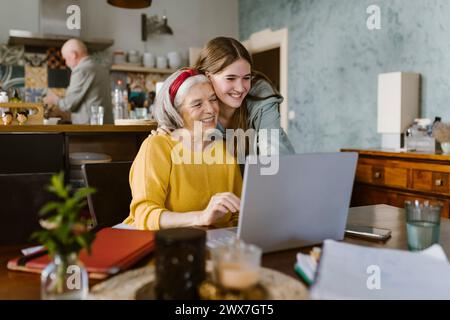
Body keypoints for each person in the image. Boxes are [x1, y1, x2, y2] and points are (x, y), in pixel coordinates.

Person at [123, 69, 242, 230]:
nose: (211, 109)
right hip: (152, 243)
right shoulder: (157, 147)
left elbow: (238, 212)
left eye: (213, 99)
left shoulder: (223, 149)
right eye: (197, 104)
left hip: (208, 242)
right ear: (176, 111)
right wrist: (201, 217)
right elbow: (145, 214)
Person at [43, 39, 113, 125]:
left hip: (89, 130)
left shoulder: (81, 70)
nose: (66, 63)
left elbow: (69, 105)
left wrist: (54, 99)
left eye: (66, 59)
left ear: (73, 55)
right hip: (106, 127)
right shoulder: (100, 68)